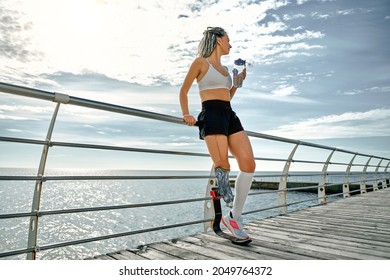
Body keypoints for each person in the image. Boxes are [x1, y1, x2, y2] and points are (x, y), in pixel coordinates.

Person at [179, 27, 256, 241]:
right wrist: (186, 113)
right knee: (223, 165)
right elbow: (184, 90)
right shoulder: (200, 62)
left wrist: (237, 83)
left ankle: (234, 216)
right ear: (218, 40)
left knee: (249, 164)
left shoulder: (224, 70)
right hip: (211, 114)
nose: (230, 45)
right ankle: (226, 195)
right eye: (228, 40)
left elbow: (227, 96)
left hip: (228, 114)